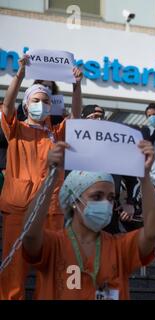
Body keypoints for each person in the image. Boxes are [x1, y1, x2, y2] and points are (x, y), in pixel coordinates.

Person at [20, 139, 155, 299]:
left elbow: (151, 233)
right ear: (74, 200)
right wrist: (51, 177)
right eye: (97, 196)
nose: (106, 203)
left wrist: (145, 177)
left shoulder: (119, 247)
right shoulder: (54, 245)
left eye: (110, 197)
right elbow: (30, 234)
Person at [0, 54, 83, 300]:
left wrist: (76, 86)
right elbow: (6, 106)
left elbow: (76, 117)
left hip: (52, 209)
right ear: (26, 105)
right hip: (19, 208)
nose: (41, 104)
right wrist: (19, 76)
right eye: (36, 100)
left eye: (45, 101)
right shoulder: (15, 128)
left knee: (52, 268)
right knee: (13, 268)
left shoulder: (56, 132)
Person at [80, 105, 140, 233]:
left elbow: (133, 179)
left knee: (108, 250)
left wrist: (130, 203)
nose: (99, 120)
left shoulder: (116, 148)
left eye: (102, 117)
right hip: (80, 210)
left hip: (109, 211)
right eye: (95, 117)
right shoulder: (73, 147)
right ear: (83, 119)